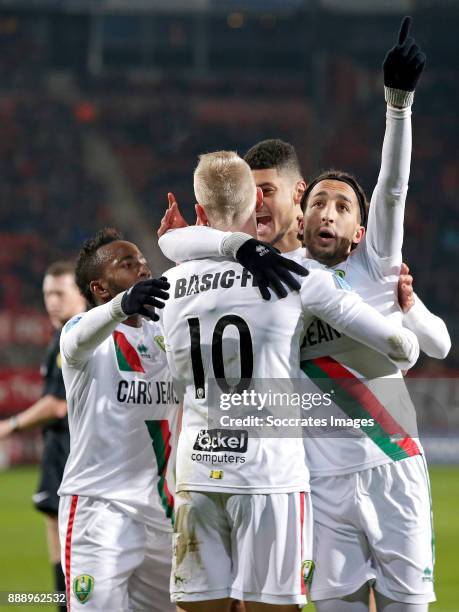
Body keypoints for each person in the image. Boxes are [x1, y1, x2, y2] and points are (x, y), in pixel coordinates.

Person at [156, 17, 450, 612]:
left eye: (342, 205)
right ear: (300, 208)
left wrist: (398, 107)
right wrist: (203, 241)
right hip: (316, 478)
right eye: (320, 200)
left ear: (359, 228)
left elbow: (392, 188)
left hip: (392, 458)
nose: (329, 212)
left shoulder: (374, 265)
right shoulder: (275, 280)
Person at [159, 150, 420, 612]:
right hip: (269, 477)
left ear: (198, 214)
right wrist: (403, 323)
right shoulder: (294, 278)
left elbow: (174, 258)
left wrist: (184, 242)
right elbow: (399, 346)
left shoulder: (173, 284)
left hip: (197, 474)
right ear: (255, 204)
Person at [58, 228, 177, 611]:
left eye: (142, 261)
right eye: (127, 264)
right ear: (101, 287)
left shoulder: (167, 336)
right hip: (99, 511)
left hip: (161, 514)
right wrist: (121, 308)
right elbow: (76, 340)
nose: (142, 268)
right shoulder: (81, 335)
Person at [0, 261, 86, 609]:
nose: (52, 301)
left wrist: (10, 426)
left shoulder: (76, 337)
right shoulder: (62, 335)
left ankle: (68, 604)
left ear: (80, 293)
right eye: (47, 293)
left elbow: (57, 405)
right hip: (63, 454)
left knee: (68, 539)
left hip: (71, 456)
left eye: (59, 293)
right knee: (59, 533)